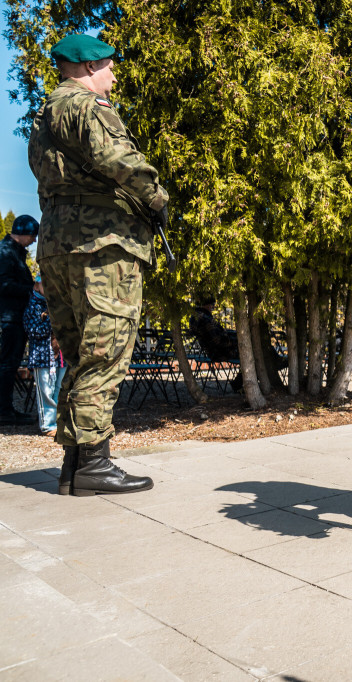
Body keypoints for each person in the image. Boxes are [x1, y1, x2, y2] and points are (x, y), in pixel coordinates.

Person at [28, 34, 167, 496]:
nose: (112, 76)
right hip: (101, 246)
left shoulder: (45, 116)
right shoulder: (88, 106)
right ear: (87, 69)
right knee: (106, 352)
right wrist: (156, 196)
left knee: (81, 354)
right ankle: (93, 464)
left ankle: (75, 463)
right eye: (108, 67)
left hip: (56, 246)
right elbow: (117, 157)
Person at [0, 215, 39, 425]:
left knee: (12, 363)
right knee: (7, 364)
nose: (34, 240)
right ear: (23, 233)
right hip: (11, 316)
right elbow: (3, 285)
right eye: (32, 236)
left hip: (17, 316)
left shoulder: (15, 253)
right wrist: (31, 289)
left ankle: (7, 409)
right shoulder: (6, 253)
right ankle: (4, 411)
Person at [23, 277, 66, 437]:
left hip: (60, 356)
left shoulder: (57, 304)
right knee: (46, 392)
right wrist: (52, 321)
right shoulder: (32, 306)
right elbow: (34, 331)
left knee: (60, 389)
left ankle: (60, 422)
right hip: (42, 356)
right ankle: (48, 425)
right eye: (46, 285)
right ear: (37, 285)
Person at [189, 297, 244, 391]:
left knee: (254, 353)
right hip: (219, 352)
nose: (213, 307)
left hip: (213, 350)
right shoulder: (205, 319)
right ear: (206, 305)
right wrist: (237, 341)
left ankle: (237, 383)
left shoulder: (196, 316)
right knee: (255, 354)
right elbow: (218, 341)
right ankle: (237, 384)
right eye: (212, 305)